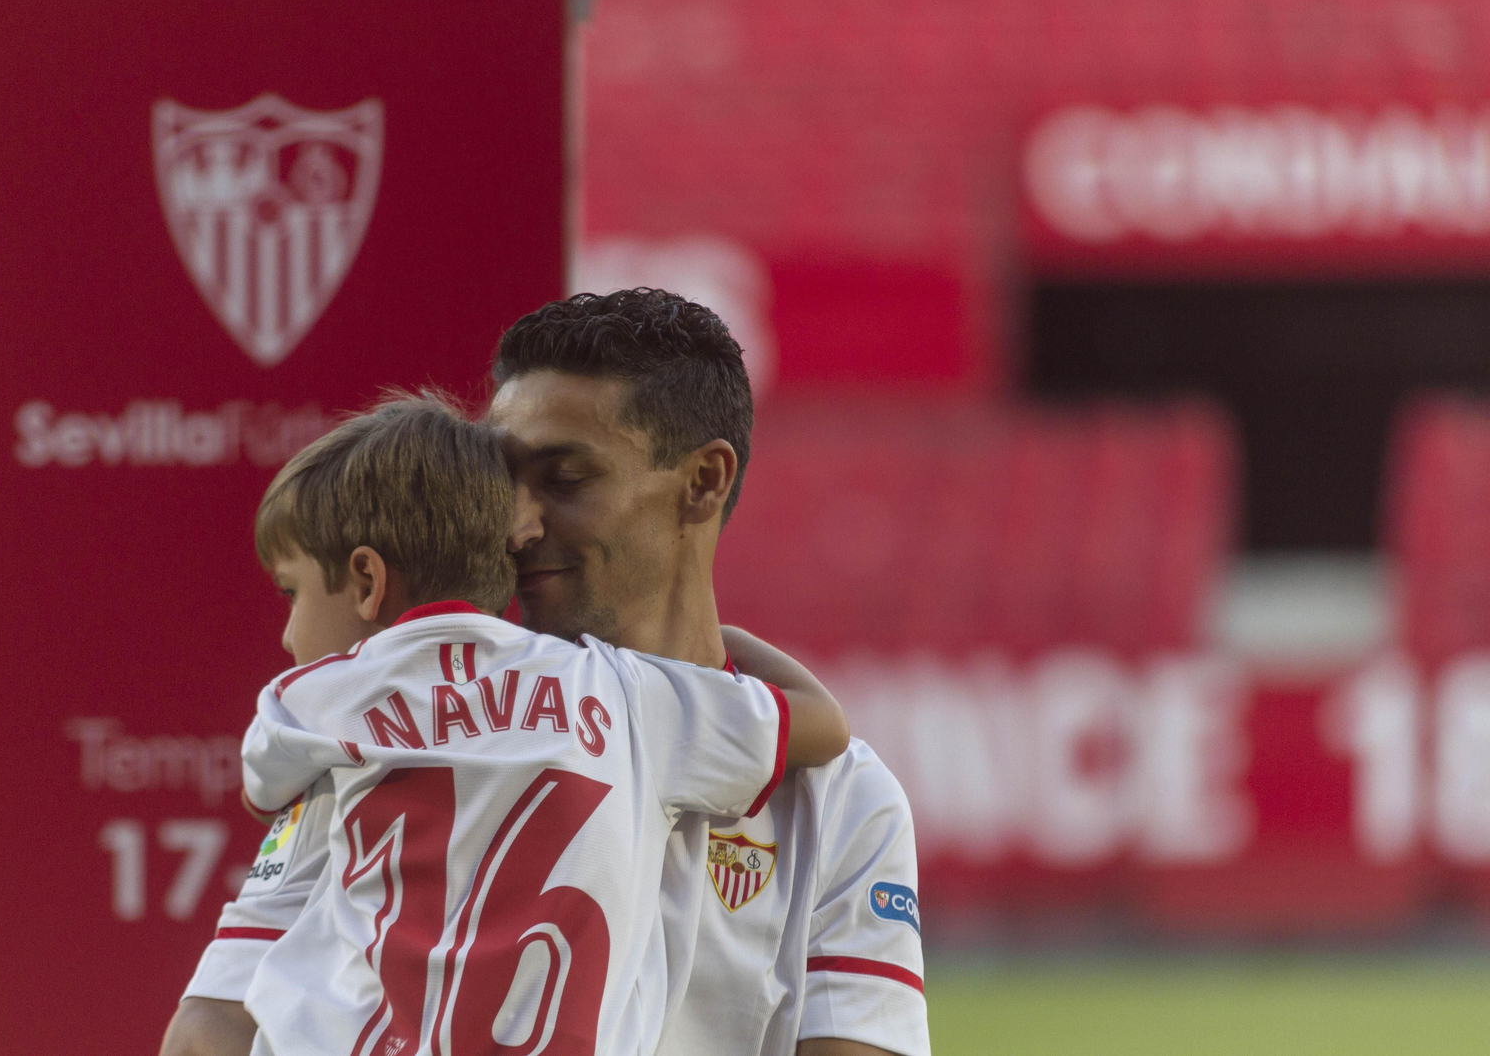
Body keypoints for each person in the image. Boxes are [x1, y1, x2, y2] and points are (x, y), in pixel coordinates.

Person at [161, 289, 929, 1056]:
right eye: (501, 484)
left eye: (564, 480)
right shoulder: (403, 726)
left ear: (703, 480)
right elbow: (215, 1025)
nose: (519, 523)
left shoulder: (843, 800)